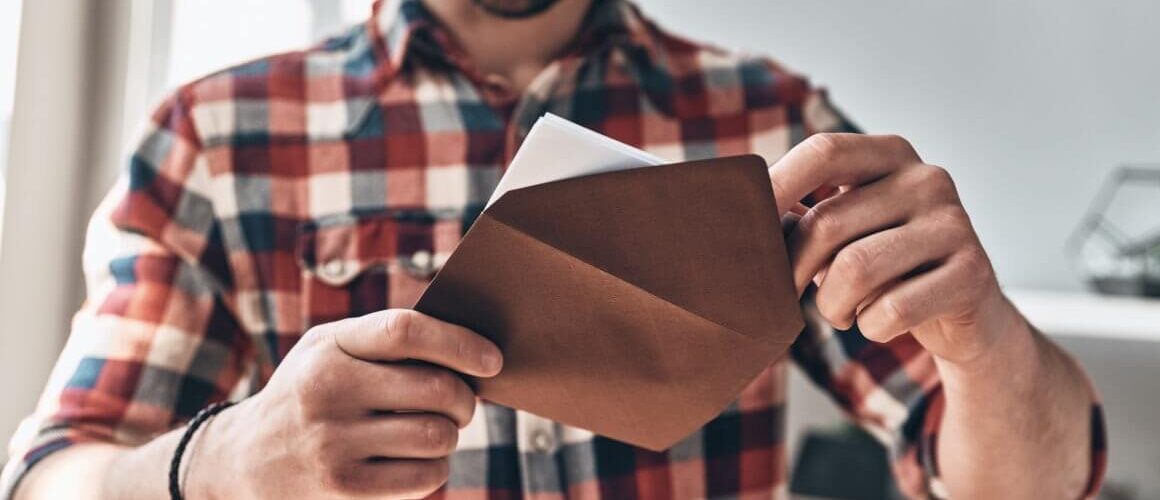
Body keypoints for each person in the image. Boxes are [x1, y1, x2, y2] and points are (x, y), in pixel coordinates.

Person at [2, 0, 1106, 498]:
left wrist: (985, 344)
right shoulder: (216, 134)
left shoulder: (770, 120)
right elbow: (55, 473)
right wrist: (223, 464)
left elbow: (1024, 480)